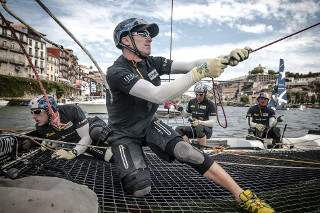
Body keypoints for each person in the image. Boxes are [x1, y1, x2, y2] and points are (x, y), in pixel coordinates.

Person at [106, 18, 274, 212]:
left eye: (150, 34)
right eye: (143, 34)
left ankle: (243, 196)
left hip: (148, 124)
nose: (149, 38)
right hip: (124, 133)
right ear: (126, 40)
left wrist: (225, 59)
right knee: (140, 189)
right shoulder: (116, 71)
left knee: (187, 152)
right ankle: (117, 153)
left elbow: (190, 64)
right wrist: (199, 73)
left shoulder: (152, 62)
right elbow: (157, 95)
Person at [24, 95, 112, 161]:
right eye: (31, 113)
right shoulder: (41, 128)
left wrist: (72, 153)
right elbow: (61, 140)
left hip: (89, 129)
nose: (33, 116)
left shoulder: (72, 110)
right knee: (109, 157)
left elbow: (86, 137)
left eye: (37, 112)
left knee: (96, 133)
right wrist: (50, 143)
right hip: (76, 141)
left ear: (50, 111)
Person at [175, 83, 216, 150]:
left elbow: (212, 123)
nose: (198, 96)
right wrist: (181, 110)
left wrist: (199, 122)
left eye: (201, 94)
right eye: (196, 94)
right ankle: (188, 148)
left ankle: (203, 151)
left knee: (199, 127)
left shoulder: (210, 104)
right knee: (178, 129)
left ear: (205, 94)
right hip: (194, 129)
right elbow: (186, 115)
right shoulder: (191, 102)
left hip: (206, 130)